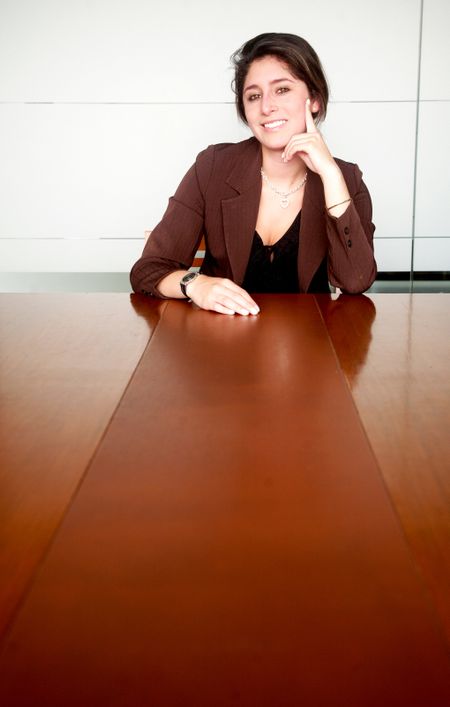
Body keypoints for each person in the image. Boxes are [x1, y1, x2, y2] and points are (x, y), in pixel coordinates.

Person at [130, 32, 377, 315]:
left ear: (315, 100)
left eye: (282, 89)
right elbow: (147, 270)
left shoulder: (346, 179)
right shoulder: (213, 166)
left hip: (311, 346)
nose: (266, 107)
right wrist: (195, 284)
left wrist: (331, 176)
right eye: (254, 96)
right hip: (220, 343)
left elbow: (356, 281)